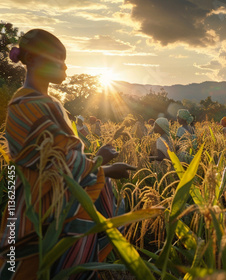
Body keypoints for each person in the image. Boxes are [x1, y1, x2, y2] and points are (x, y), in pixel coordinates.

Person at [1, 29, 136, 279]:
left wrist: (99, 165)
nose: (65, 67)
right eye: (57, 59)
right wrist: (102, 163)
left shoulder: (51, 103)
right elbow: (59, 165)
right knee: (34, 267)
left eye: (64, 59)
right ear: (32, 61)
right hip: (40, 207)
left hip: (55, 201)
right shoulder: (26, 106)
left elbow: (61, 156)